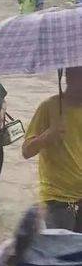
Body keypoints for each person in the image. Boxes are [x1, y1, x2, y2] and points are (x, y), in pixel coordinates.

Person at [22, 66, 82, 231]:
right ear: (68, 76)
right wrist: (48, 136)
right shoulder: (49, 107)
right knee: (59, 254)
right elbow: (26, 151)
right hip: (57, 199)